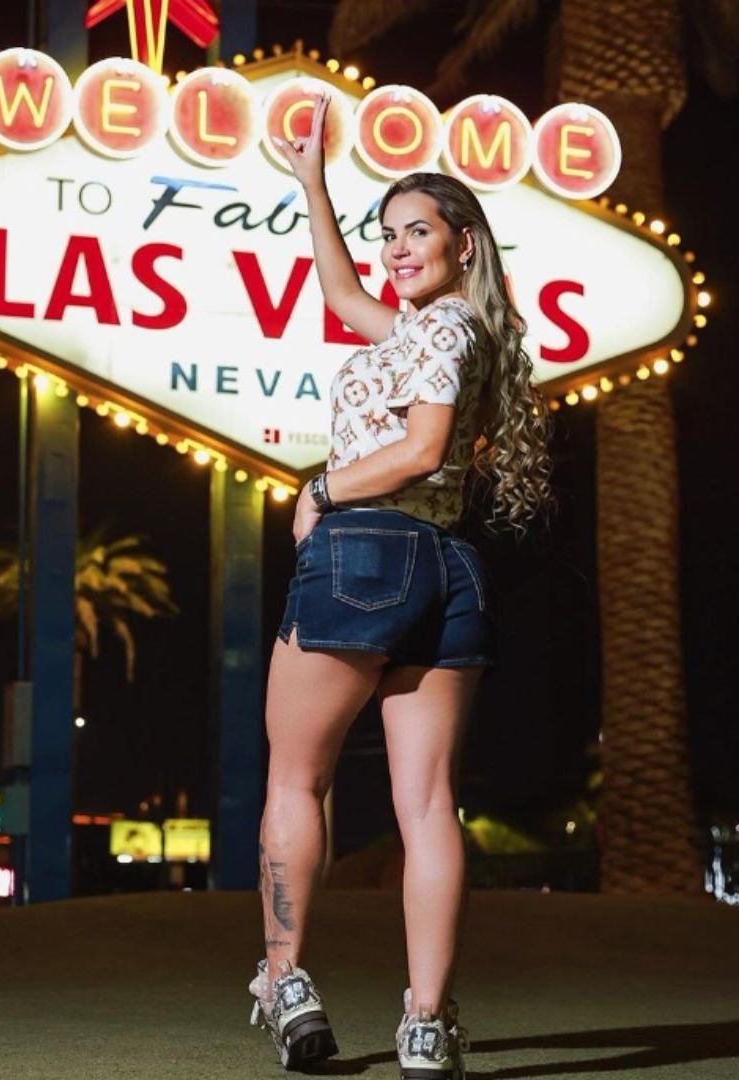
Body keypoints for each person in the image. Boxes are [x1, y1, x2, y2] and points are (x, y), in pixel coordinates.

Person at [247, 94, 552, 1079]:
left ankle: (285, 982)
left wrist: (322, 486)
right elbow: (344, 299)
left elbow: (419, 448)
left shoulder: (445, 332)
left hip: (367, 550)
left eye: (416, 231)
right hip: (451, 570)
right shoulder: (439, 329)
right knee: (427, 807)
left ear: (464, 241)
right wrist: (312, 186)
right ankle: (426, 1025)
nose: (396, 250)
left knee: (297, 778)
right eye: (390, 236)